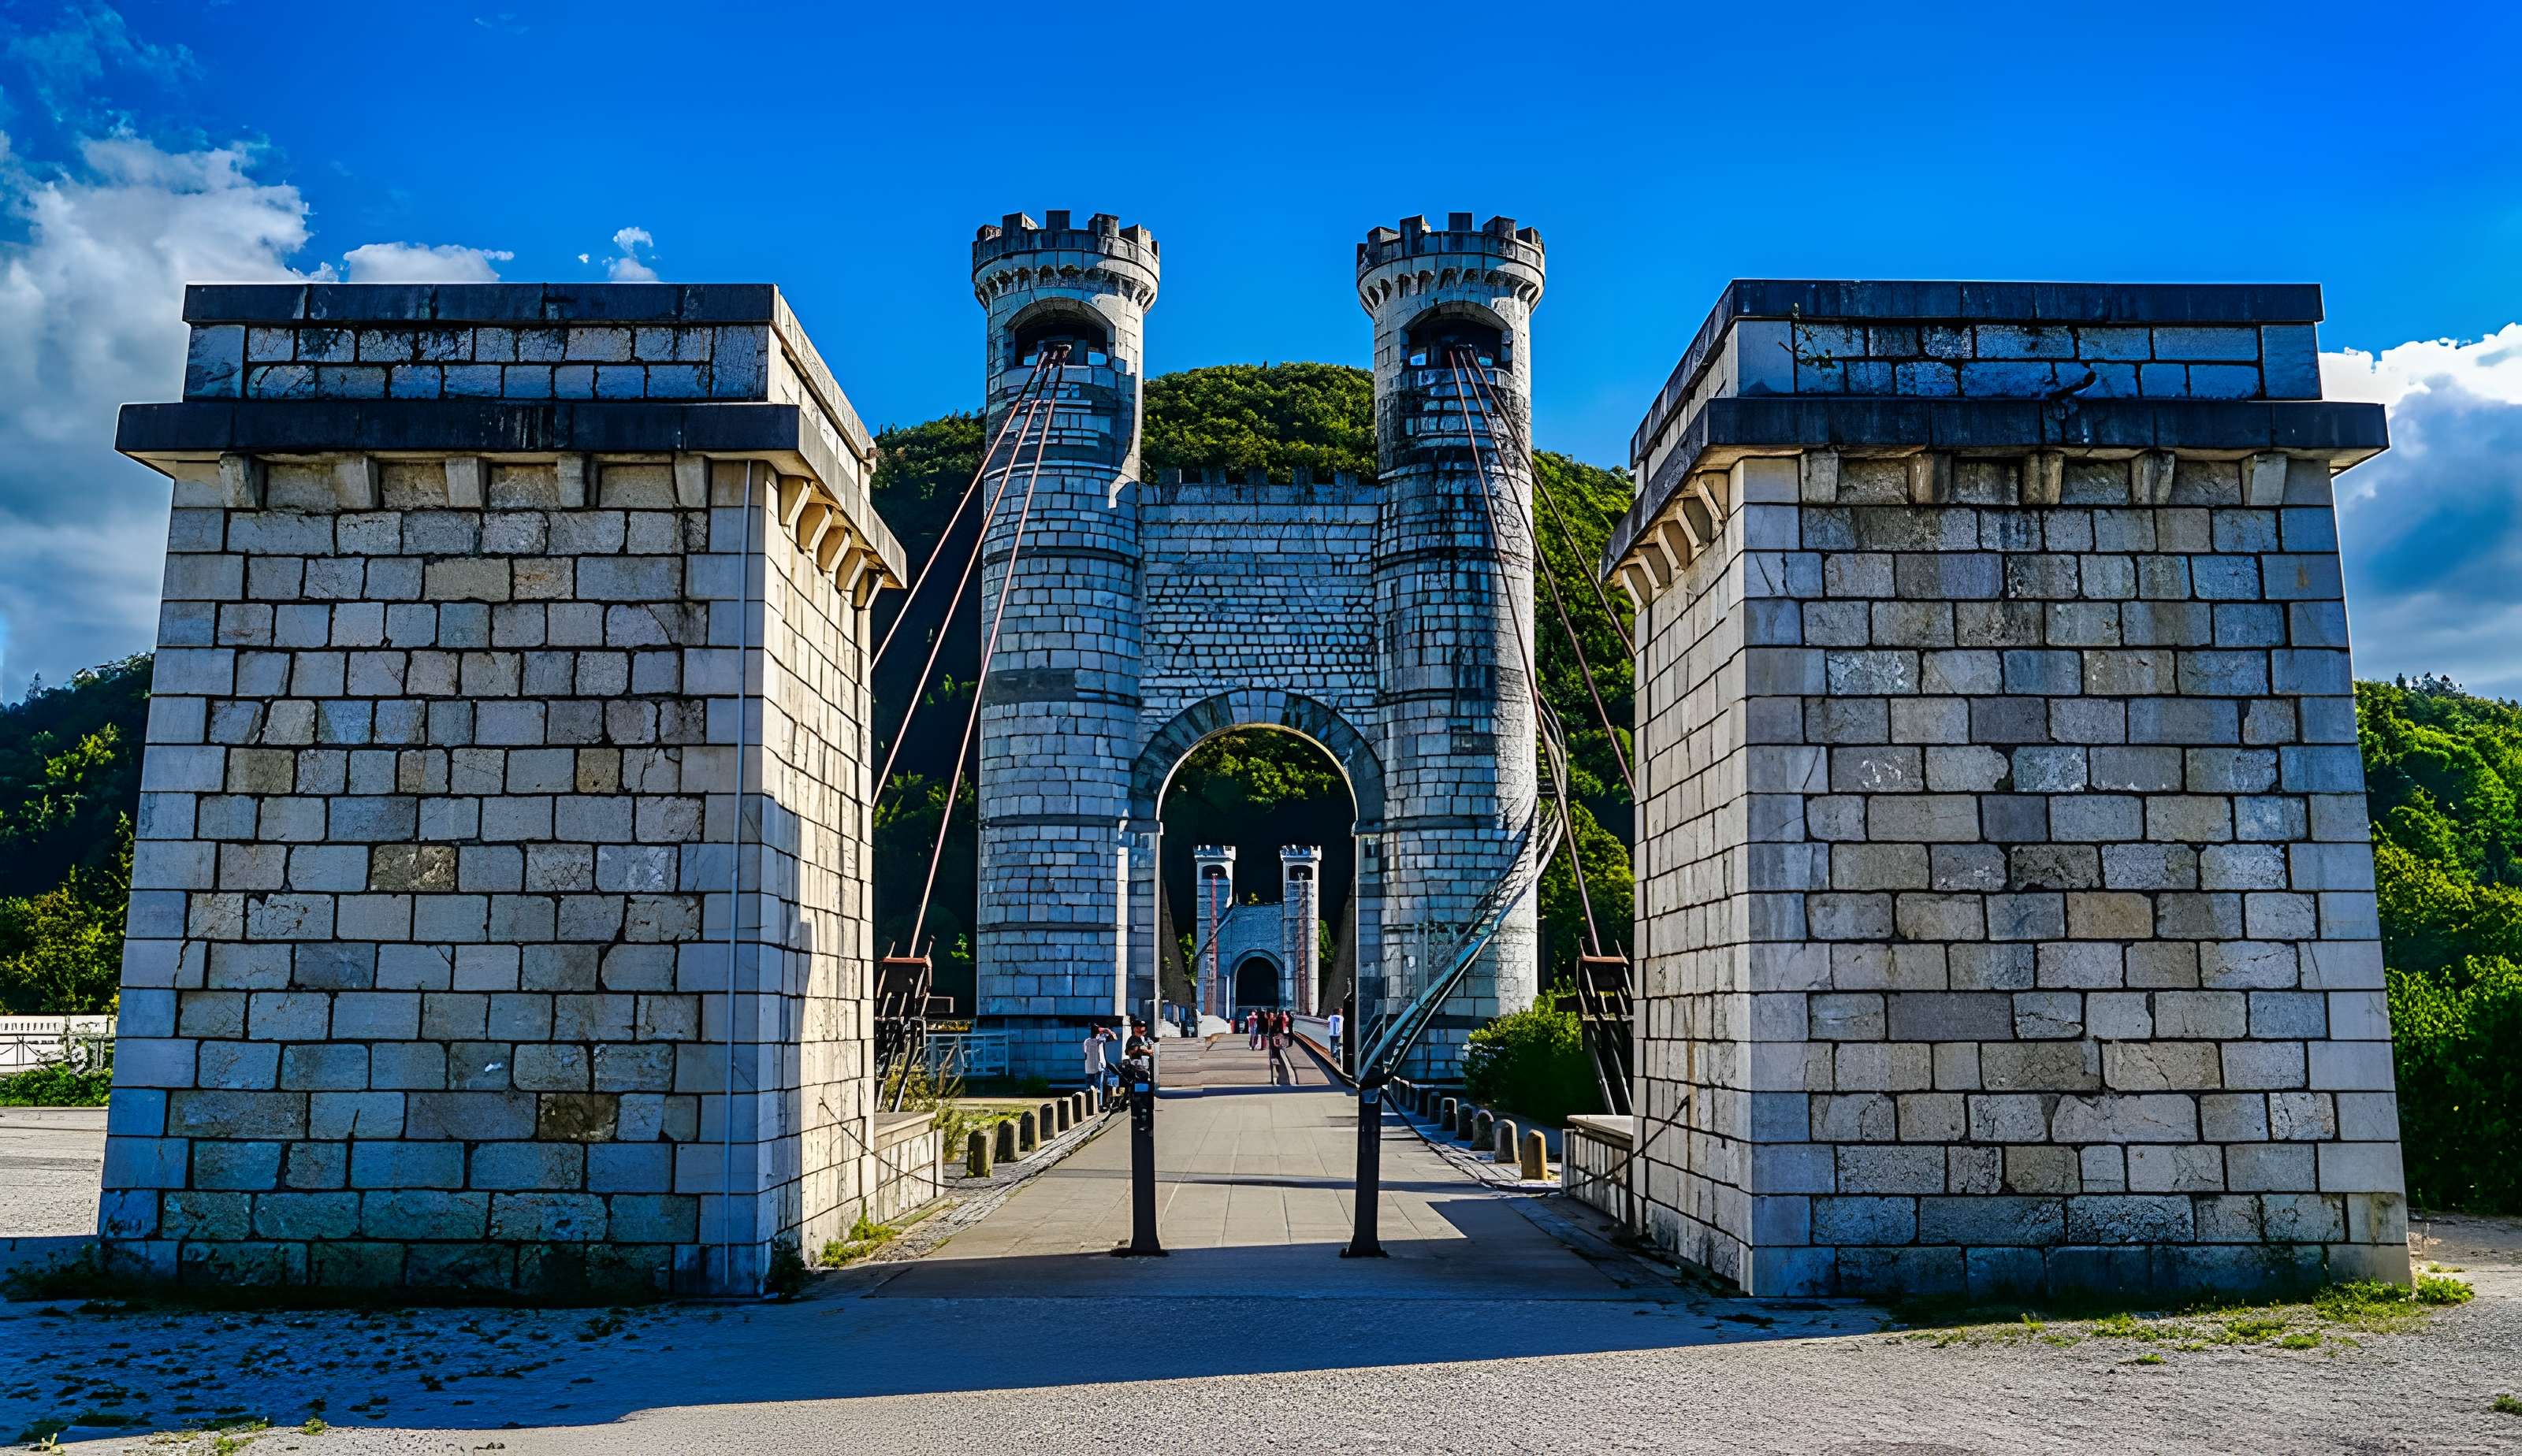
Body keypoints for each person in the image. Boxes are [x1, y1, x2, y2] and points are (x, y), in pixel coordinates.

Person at [1082, 1024, 1113, 1094]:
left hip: (1091, 1066)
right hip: (1097, 1065)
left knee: (1091, 1085)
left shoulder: (1087, 1041)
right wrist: (1105, 1030)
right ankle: (1098, 1100)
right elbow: (1111, 1035)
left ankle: (1093, 1096)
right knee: (1098, 1086)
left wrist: (1102, 1031)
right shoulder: (1099, 1040)